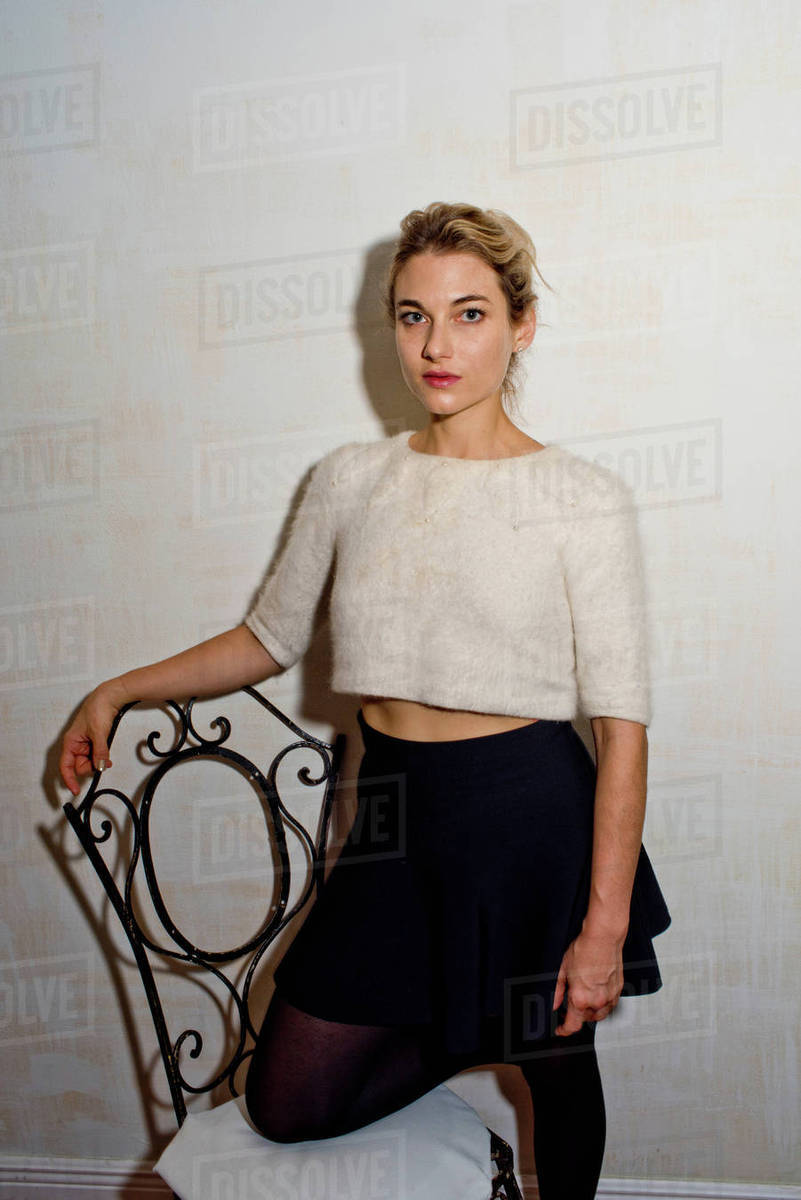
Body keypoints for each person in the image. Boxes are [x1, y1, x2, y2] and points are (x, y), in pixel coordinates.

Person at [59, 202, 671, 1200]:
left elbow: (622, 726)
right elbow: (266, 638)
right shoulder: (351, 480)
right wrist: (117, 690)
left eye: (469, 314)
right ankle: (461, 1031)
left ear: (521, 325)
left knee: (558, 1074)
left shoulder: (580, 497)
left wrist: (600, 930)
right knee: (287, 1102)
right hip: (391, 817)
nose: (435, 344)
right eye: (412, 314)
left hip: (526, 814)